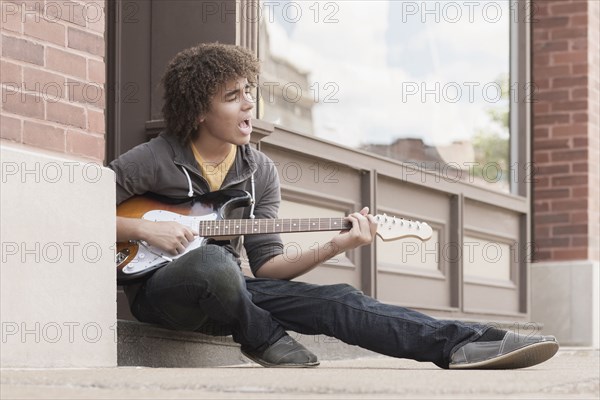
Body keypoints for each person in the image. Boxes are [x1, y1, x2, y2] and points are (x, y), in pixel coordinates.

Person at [109, 43, 559, 369]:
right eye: (232, 97)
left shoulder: (258, 171)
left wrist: (333, 246)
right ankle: (263, 338)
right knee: (213, 264)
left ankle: (469, 343)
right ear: (198, 113)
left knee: (339, 300)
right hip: (163, 293)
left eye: (249, 90)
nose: (249, 103)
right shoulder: (152, 159)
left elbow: (267, 268)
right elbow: (82, 215)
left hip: (235, 295)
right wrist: (146, 231)